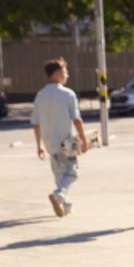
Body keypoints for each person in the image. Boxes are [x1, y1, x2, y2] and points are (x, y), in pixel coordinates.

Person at [31, 57, 88, 217]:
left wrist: (38, 145)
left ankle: (66, 205)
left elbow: (35, 123)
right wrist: (83, 139)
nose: (67, 75)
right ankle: (59, 195)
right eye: (64, 71)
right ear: (56, 73)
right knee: (71, 173)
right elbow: (77, 119)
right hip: (66, 143)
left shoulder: (40, 96)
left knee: (59, 175)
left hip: (49, 143)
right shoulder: (68, 94)